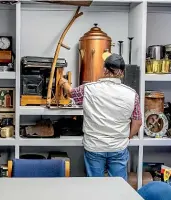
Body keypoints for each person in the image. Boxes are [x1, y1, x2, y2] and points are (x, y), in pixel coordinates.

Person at [58, 52, 142, 181]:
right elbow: (138, 123)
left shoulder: (88, 89)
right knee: (119, 187)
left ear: (104, 69)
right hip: (118, 146)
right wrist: (127, 137)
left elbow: (71, 93)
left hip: (94, 146)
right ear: (122, 72)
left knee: (95, 187)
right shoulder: (132, 94)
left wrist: (63, 82)